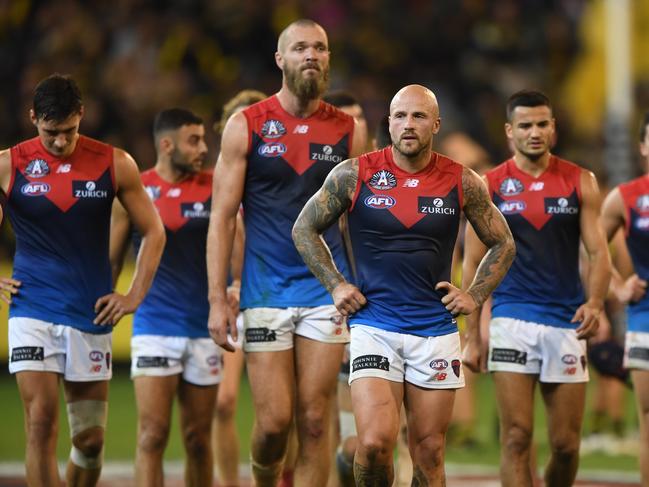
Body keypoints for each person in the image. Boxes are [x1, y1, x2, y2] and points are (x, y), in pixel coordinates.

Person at [292, 84, 515, 486]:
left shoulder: (462, 181)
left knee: (429, 452)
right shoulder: (354, 174)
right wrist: (336, 285)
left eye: (418, 116)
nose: (408, 124)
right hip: (374, 326)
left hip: (435, 330)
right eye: (399, 116)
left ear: (436, 124)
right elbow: (304, 229)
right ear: (389, 123)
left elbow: (504, 242)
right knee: (375, 442)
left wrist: (475, 294)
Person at [207, 19, 365, 487]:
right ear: (281, 60)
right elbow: (221, 218)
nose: (311, 55)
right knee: (275, 423)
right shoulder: (246, 126)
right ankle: (264, 477)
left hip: (324, 294)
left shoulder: (348, 131)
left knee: (315, 421)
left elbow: (360, 221)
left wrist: (364, 287)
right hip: (265, 291)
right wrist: (218, 298)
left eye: (320, 47)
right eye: (300, 48)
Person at [2, 73, 165, 486]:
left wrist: (133, 296)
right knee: (40, 424)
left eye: (69, 131)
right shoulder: (9, 164)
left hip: (90, 313)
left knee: (89, 441)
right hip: (32, 309)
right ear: (33, 117)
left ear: (82, 115)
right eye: (51, 132)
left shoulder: (115, 163)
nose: (60, 142)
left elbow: (154, 231)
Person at [462, 90, 611, 487]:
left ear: (553, 128)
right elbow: (473, 263)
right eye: (525, 125)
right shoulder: (489, 184)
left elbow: (598, 253)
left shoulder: (581, 181)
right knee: (515, 437)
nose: (535, 132)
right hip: (511, 319)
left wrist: (596, 303)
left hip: (567, 323)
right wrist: (473, 336)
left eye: (542, 124)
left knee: (565, 445)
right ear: (509, 131)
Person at [110, 108, 224, 486]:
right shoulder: (135, 190)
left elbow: (236, 246)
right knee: (152, 435)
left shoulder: (216, 186)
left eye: (203, 139)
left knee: (198, 440)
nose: (203, 148)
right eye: (193, 140)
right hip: (155, 325)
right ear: (166, 144)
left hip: (204, 328)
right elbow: (111, 259)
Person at [211, 89, 266, 487]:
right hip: (234, 300)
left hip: (270, 296)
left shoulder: (276, 184)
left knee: (285, 411)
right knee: (224, 402)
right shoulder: (220, 180)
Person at [599, 111, 649, 484]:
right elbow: (592, 246)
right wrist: (617, 286)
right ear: (643, 147)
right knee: (648, 419)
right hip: (644, 318)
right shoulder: (625, 198)